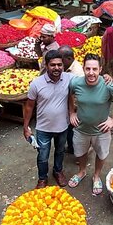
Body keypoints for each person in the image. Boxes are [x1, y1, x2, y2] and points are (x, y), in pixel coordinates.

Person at [68, 54, 113, 195]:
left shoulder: (108, 84)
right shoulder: (75, 83)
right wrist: (72, 112)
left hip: (101, 130)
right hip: (81, 128)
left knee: (101, 155)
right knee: (80, 152)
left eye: (95, 69)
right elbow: (69, 96)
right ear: (83, 69)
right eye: (88, 69)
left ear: (100, 69)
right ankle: (82, 172)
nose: (91, 73)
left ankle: (96, 176)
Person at [24, 50, 71, 189]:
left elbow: (87, 78)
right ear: (46, 65)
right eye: (53, 65)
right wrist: (26, 127)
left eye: (59, 65)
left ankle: (58, 171)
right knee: (43, 156)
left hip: (63, 127)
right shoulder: (36, 84)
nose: (57, 68)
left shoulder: (69, 78)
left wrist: (104, 76)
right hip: (43, 128)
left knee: (60, 151)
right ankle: (42, 178)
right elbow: (29, 106)